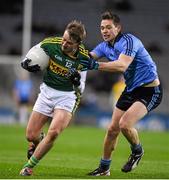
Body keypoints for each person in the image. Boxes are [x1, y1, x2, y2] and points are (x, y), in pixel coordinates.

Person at [80, 11, 163, 176]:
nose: (104, 31)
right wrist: (68, 57)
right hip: (131, 89)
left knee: (124, 124)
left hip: (149, 90)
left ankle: (137, 151)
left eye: (108, 27)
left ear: (118, 28)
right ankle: (104, 168)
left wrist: (94, 65)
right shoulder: (104, 46)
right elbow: (87, 57)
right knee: (112, 129)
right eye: (102, 28)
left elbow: (122, 66)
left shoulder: (130, 41)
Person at [19, 20, 89, 176]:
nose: (64, 44)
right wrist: (26, 62)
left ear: (78, 43)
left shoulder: (83, 57)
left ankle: (29, 166)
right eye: (63, 39)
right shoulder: (50, 43)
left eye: (69, 42)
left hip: (67, 96)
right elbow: (34, 51)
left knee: (55, 132)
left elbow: (81, 87)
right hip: (46, 92)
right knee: (31, 135)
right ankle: (39, 140)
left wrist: (77, 82)